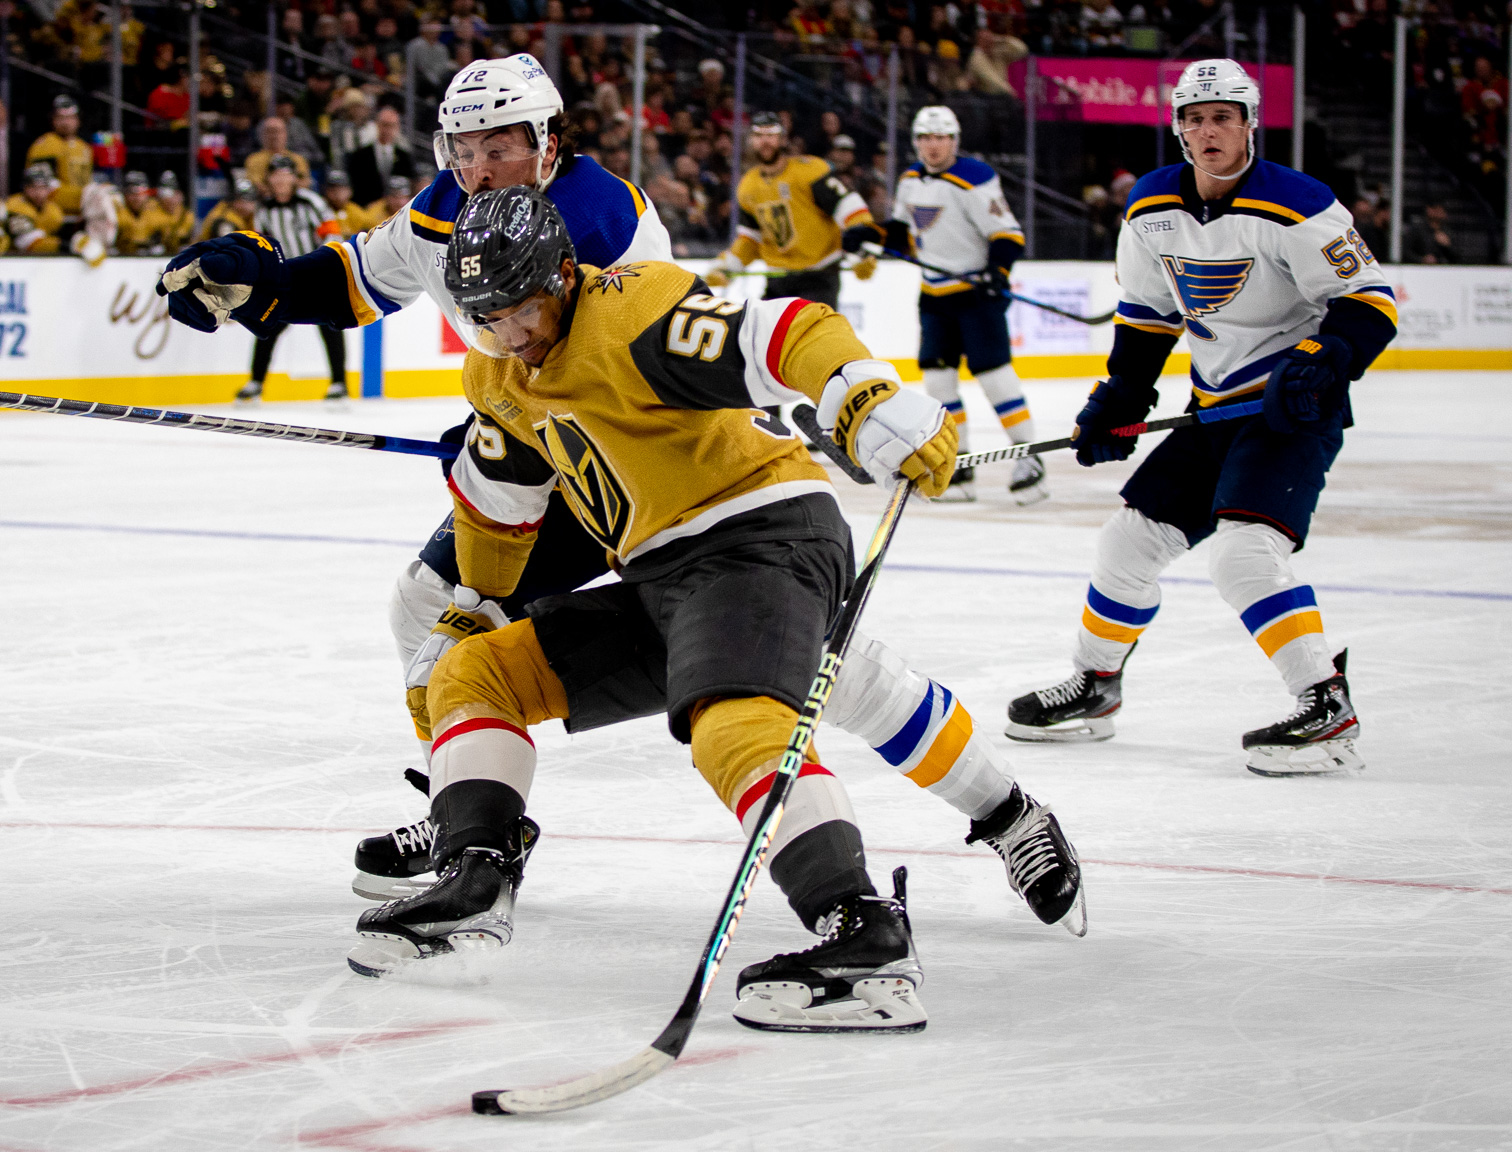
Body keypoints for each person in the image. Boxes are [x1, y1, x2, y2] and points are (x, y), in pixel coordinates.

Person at [155, 56, 1082, 932]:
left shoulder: (605, 223)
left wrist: (845, 394)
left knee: (802, 671)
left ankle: (996, 816)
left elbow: (691, 347)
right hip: (583, 475)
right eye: (463, 149)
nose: (479, 168)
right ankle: (471, 816)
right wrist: (262, 288)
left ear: (548, 140)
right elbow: (361, 280)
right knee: (441, 613)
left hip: (661, 472)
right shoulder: (449, 210)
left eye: (499, 146)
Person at [350, 187, 1066, 1028]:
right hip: (664, 579)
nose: (511, 335)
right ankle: (475, 877)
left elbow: (786, 328)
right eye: (487, 318)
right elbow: (499, 507)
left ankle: (862, 927)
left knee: (737, 721)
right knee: (474, 672)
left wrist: (863, 392)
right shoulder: (496, 372)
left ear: (564, 274)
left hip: (761, 535)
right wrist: (471, 604)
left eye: (523, 310)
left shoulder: (633, 311)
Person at [1005, 60, 1397, 778]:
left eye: (1223, 117)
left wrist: (1323, 358)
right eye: (1194, 118)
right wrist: (1121, 398)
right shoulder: (1151, 206)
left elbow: (1371, 302)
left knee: (1244, 554)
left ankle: (1326, 704)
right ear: (1178, 128)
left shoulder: (1300, 203)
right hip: (1213, 409)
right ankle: (1096, 685)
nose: (1207, 130)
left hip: (1291, 410)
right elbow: (1147, 314)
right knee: (1127, 543)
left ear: (1250, 124)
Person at [887, 105, 1043, 505]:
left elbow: (1008, 234)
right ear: (916, 142)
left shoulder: (975, 178)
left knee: (994, 376)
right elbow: (902, 233)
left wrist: (998, 272)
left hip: (975, 295)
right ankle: (959, 464)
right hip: (934, 296)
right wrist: (869, 235)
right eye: (925, 138)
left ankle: (1029, 457)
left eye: (941, 138)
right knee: (938, 381)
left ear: (954, 141)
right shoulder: (910, 181)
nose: (933, 146)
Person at [704, 113, 879, 312]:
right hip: (778, 281)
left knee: (811, 332)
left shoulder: (810, 172)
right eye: (759, 135)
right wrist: (726, 266)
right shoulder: (748, 187)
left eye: (771, 135)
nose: (765, 141)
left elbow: (850, 208)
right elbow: (751, 239)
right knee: (761, 331)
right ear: (751, 140)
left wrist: (860, 251)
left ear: (783, 138)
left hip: (818, 277)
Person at [241, 155, 347, 402]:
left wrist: (321, 263)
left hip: (317, 275)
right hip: (285, 279)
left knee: (330, 326)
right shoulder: (264, 209)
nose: (280, 180)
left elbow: (333, 234)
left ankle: (339, 383)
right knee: (266, 326)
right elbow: (261, 244)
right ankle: (256, 381)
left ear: (294, 178)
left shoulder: (312, 202)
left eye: (285, 174)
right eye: (276, 175)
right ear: (269, 179)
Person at [26, 95, 94, 214]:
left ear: (78, 120)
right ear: (53, 120)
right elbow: (42, 187)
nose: (65, 123)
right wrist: (84, 196)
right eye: (60, 118)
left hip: (83, 210)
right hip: (53, 211)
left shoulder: (84, 147)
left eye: (70, 118)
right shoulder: (45, 145)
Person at [344, 106, 417, 205]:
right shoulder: (361, 155)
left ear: (397, 127)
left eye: (392, 126)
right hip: (367, 208)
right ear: (377, 125)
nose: (387, 130)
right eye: (385, 125)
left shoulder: (404, 157)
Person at [1, 161, 65, 254]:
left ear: (49, 189)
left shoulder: (53, 210)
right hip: (13, 259)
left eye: (43, 187)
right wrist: (68, 246)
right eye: (33, 187)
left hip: (43, 259)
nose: (38, 193)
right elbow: (30, 244)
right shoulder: (14, 207)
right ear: (24, 188)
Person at [241, 116, 311, 187]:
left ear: (286, 134)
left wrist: (287, 184)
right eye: (269, 131)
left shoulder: (298, 159)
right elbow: (254, 184)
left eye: (278, 131)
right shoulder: (253, 160)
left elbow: (305, 183)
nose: (274, 136)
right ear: (261, 135)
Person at [139, 171, 194, 254]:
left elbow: (187, 239)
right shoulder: (150, 211)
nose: (170, 200)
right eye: (165, 196)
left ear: (180, 196)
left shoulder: (186, 215)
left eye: (173, 195)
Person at [320, 169, 380, 236]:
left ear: (350, 191)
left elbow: (372, 229)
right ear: (325, 192)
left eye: (341, 189)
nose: (337, 194)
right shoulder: (320, 211)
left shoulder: (355, 211)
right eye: (333, 190)